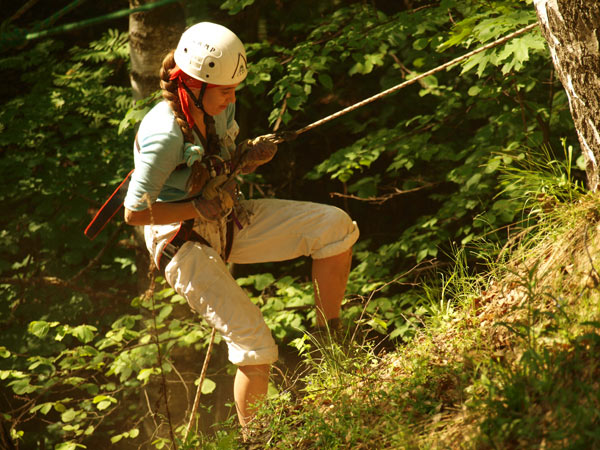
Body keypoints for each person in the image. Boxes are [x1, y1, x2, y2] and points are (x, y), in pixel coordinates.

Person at [123, 22, 359, 427]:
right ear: (191, 83)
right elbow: (135, 214)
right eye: (224, 91)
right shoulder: (164, 135)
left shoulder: (218, 105)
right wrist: (197, 208)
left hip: (224, 214)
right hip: (179, 239)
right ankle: (258, 438)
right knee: (255, 345)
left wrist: (245, 157)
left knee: (334, 227)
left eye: (234, 90)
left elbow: (215, 161)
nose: (232, 98)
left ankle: (329, 344)